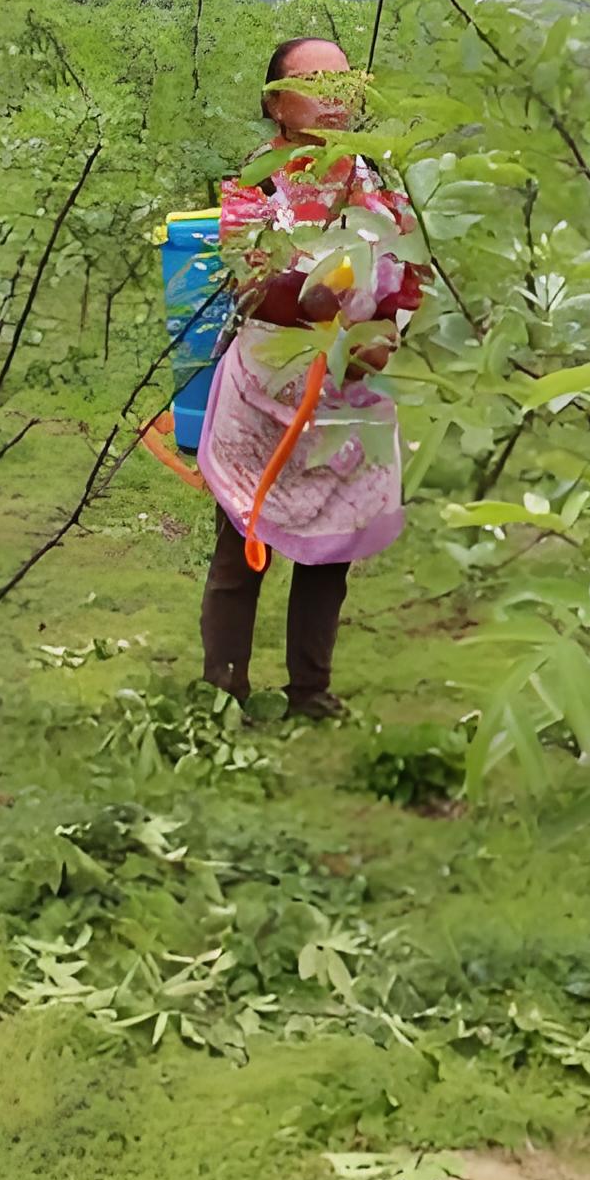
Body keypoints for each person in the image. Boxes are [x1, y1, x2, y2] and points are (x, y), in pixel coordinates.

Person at [198, 36, 424, 718]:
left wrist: (385, 332)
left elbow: (410, 275)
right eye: (314, 82)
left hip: (348, 394)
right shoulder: (258, 181)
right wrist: (316, 295)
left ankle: (311, 693)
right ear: (276, 104)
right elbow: (249, 281)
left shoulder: (379, 180)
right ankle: (224, 692)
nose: (333, 97)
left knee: (330, 549)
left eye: (343, 82)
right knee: (242, 546)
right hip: (268, 392)